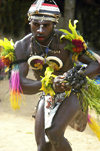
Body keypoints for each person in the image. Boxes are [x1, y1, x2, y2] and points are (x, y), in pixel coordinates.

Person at [12, 0, 100, 151]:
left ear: (54, 24)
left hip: (74, 92)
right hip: (47, 93)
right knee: (43, 146)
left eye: (45, 25)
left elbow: (96, 65)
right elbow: (19, 84)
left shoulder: (66, 41)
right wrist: (48, 85)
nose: (39, 30)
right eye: (35, 24)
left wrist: (73, 77)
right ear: (29, 22)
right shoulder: (22, 46)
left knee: (54, 133)